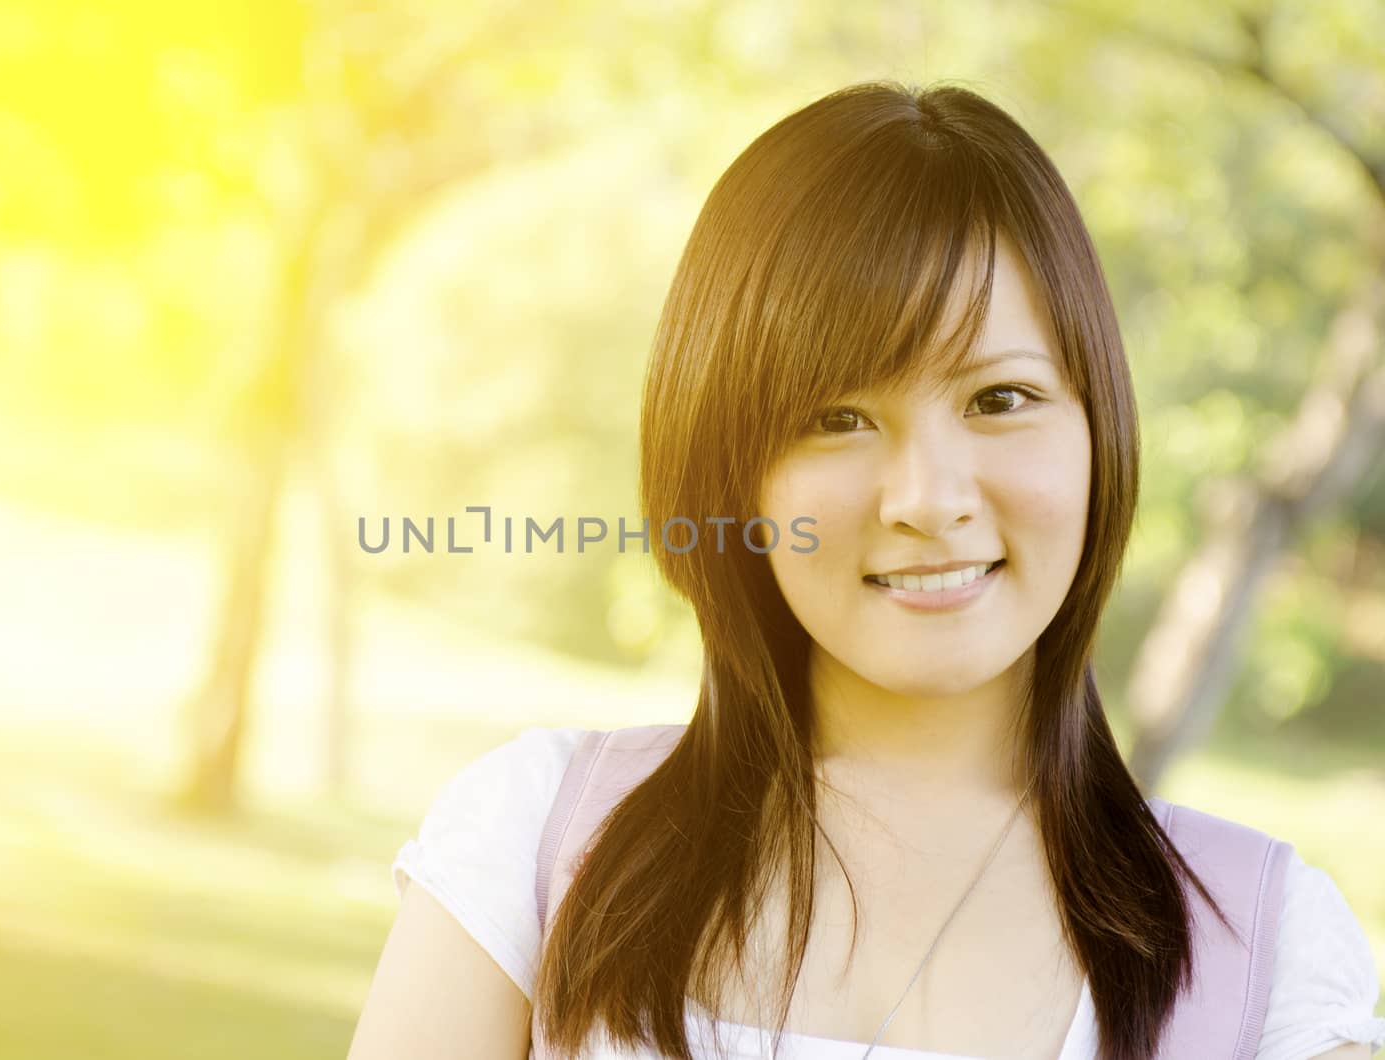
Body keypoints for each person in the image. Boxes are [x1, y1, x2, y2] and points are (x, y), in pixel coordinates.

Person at [346, 81, 1385, 1060]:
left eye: (998, 399)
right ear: (727, 466)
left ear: (1097, 430)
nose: (928, 498)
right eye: (837, 419)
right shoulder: (532, 850)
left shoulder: (1266, 954)